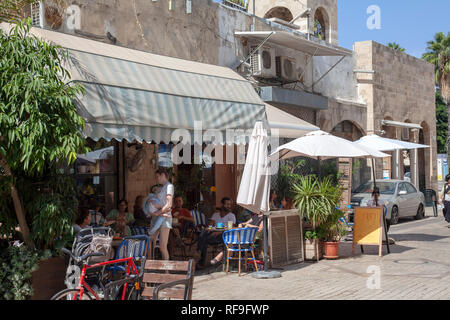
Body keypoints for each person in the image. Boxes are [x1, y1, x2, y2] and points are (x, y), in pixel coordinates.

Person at [197, 197, 236, 268]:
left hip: (224, 236)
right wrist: (210, 229)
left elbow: (231, 228)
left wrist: (218, 232)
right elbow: (210, 226)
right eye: (227, 204)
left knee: (204, 240)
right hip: (213, 235)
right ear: (222, 205)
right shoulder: (215, 215)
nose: (229, 206)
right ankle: (200, 254)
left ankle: (199, 253)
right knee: (204, 232)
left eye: (230, 204)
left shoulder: (231, 216)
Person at [149, 168, 174, 261]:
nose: (156, 179)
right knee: (151, 243)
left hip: (164, 218)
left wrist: (157, 213)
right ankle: (149, 268)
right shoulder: (159, 188)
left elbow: (169, 204)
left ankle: (166, 270)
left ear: (163, 175)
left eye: (157, 176)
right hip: (157, 217)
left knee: (162, 246)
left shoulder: (169, 186)